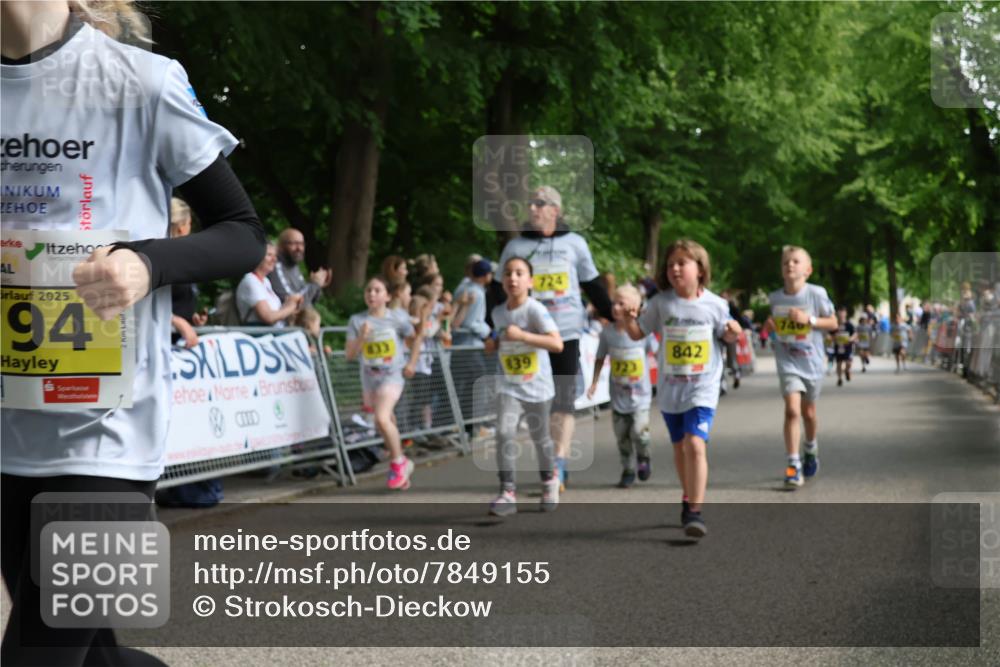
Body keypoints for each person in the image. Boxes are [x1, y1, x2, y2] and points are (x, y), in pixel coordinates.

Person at [1, 2, 266, 664]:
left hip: (109, 441)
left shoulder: (143, 83)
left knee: (37, 654)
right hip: (8, 434)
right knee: (91, 655)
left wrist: (146, 264)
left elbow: (242, 231)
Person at [620, 240, 741, 537]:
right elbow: (638, 334)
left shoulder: (715, 304)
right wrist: (627, 318)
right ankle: (688, 495)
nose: (674, 268)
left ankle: (695, 512)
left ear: (700, 269)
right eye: (671, 264)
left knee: (695, 445)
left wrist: (733, 333)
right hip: (671, 389)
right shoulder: (662, 303)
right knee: (679, 448)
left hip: (703, 386)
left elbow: (728, 334)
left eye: (682, 263)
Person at [498, 186, 613, 490]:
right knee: (539, 403)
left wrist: (616, 317)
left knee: (563, 399)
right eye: (530, 203)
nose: (532, 208)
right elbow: (497, 291)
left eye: (540, 203)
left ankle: (557, 462)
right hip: (528, 336)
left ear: (555, 210)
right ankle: (547, 460)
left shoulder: (575, 243)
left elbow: (592, 285)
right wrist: (490, 328)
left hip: (566, 332)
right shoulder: (516, 247)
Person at [486, 257, 564, 516]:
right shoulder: (498, 312)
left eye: (520, 273)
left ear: (530, 281)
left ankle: (549, 481)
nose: (513, 278)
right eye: (508, 273)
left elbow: (557, 344)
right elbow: (499, 339)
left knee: (540, 439)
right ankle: (507, 492)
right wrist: (493, 344)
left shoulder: (535, 310)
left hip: (537, 387)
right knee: (503, 432)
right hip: (509, 385)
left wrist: (523, 336)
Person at [760, 246, 837, 489]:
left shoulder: (816, 294)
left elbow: (833, 322)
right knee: (792, 410)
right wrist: (770, 326)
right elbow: (772, 329)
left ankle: (810, 447)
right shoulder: (775, 298)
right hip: (787, 360)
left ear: (808, 270)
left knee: (809, 413)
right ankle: (793, 464)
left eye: (795, 261)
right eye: (785, 262)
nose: (790, 265)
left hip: (811, 361)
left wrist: (809, 320)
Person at [345, 276, 425, 490]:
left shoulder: (397, 319)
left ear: (388, 296)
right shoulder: (356, 320)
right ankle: (403, 465)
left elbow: (416, 338)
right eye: (368, 290)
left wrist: (412, 363)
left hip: (392, 375)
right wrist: (362, 337)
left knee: (381, 418)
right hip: (370, 378)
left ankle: (398, 463)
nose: (372, 294)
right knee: (387, 419)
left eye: (377, 290)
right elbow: (350, 355)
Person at [587, 285, 658, 488]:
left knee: (639, 431)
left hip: (641, 395)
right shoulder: (607, 333)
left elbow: (659, 354)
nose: (616, 308)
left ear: (635, 308)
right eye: (614, 303)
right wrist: (593, 382)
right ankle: (627, 469)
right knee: (622, 436)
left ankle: (644, 457)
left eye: (622, 304)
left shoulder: (643, 333)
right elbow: (600, 358)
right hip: (618, 396)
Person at [452, 259, 494, 431]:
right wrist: (488, 331)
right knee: (478, 385)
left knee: (468, 386)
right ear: (485, 276)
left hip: (462, 347)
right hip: (469, 346)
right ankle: (472, 425)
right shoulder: (476, 292)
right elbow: (471, 322)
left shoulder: (464, 287)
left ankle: (467, 425)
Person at [168, 197, 208, 348]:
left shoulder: (182, 258)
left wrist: (191, 319)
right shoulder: (160, 257)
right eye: (190, 223)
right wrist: (176, 321)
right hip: (156, 345)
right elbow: (142, 304)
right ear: (182, 227)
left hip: (178, 344)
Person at [236, 242, 303, 326]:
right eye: (269, 255)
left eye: (275, 255)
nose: (274, 259)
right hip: (260, 335)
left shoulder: (265, 281)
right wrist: (291, 306)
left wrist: (289, 303)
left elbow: (276, 313)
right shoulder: (250, 280)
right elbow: (268, 317)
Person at [268, 227, 331, 307]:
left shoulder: (294, 266)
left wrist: (318, 285)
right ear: (281, 246)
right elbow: (292, 303)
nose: (299, 248)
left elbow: (310, 300)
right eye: (294, 243)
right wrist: (314, 284)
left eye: (302, 244)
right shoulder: (275, 266)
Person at [833, 306, 857, 387]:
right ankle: (839, 378)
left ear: (846, 314)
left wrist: (850, 339)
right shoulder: (835, 324)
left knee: (848, 362)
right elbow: (830, 334)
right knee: (839, 363)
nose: (841, 314)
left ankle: (847, 370)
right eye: (840, 312)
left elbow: (855, 334)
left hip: (847, 347)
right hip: (838, 347)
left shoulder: (849, 325)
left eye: (843, 312)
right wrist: (834, 338)